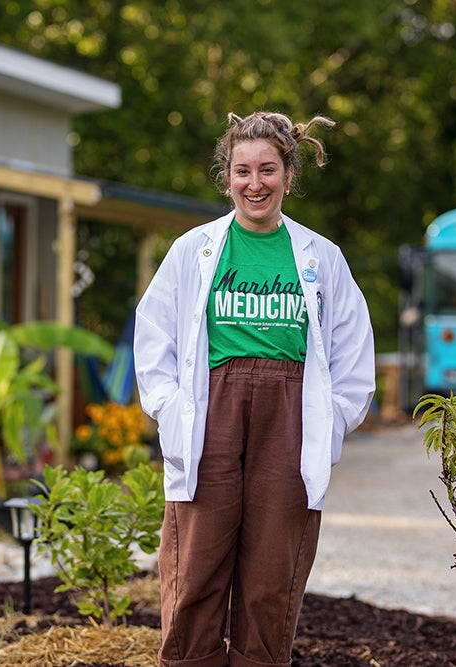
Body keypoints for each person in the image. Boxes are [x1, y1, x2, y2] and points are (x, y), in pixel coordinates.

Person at [134, 111, 376, 667]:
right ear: (227, 177)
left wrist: (332, 419)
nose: (255, 183)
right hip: (209, 412)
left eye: (268, 169)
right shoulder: (192, 250)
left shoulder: (322, 257)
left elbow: (352, 348)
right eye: (243, 171)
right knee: (196, 563)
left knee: (272, 570)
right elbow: (152, 338)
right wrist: (170, 410)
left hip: (289, 420)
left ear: (289, 175)